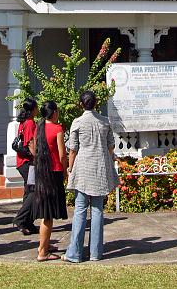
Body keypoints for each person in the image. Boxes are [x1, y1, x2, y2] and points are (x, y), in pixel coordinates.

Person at [63, 90, 118, 263]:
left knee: (80, 209)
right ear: (95, 103)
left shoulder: (78, 122)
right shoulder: (104, 122)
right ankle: (96, 252)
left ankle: (75, 253)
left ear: (81, 104)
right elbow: (111, 146)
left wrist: (70, 168)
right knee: (97, 210)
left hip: (83, 167)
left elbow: (73, 149)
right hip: (100, 167)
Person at [32, 100, 67, 261]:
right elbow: (62, 154)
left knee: (46, 213)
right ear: (53, 113)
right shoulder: (57, 128)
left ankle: (44, 245)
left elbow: (34, 148)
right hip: (54, 173)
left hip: (41, 173)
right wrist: (66, 170)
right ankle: (42, 251)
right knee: (48, 216)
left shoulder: (39, 128)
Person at [12, 98, 38, 235]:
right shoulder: (30, 123)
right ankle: (21, 218)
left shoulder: (23, 122)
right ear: (33, 109)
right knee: (34, 191)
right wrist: (37, 159)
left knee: (29, 191)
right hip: (28, 162)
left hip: (22, 162)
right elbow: (30, 143)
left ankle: (27, 222)